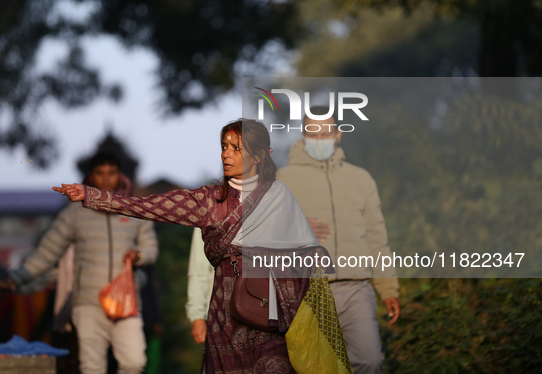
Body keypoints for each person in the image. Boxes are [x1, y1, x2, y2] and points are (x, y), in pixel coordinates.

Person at [54, 119, 351, 374]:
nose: (227, 154)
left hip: (271, 304)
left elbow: (303, 251)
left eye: (237, 148)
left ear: (259, 155)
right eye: (224, 146)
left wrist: (312, 255)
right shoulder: (209, 200)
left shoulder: (279, 195)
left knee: (275, 365)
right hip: (226, 307)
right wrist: (91, 195)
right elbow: (146, 206)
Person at [0, 152, 159, 374]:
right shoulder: (74, 213)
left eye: (111, 173)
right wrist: (16, 278)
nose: (106, 179)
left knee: (134, 362)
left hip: (126, 300)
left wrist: (138, 254)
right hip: (88, 302)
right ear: (90, 176)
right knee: (92, 367)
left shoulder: (135, 210)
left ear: (119, 175)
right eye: (100, 173)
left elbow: (151, 248)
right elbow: (47, 253)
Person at [276, 109, 400, 374]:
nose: (319, 139)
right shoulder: (283, 180)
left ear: (338, 135)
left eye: (326, 133)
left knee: (370, 361)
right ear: (303, 135)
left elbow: (377, 237)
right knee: (318, 368)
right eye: (313, 133)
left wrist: (388, 288)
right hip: (307, 290)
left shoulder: (361, 179)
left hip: (356, 289)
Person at [185, 228, 214, 344]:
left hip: (262, 310)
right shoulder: (208, 213)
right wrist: (197, 315)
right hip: (218, 313)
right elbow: (198, 271)